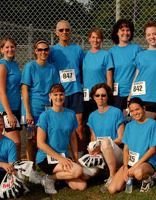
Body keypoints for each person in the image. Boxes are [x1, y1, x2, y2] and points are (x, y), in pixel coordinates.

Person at [36, 84, 87, 194]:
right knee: (77, 171)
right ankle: (49, 179)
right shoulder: (45, 116)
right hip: (46, 158)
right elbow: (40, 143)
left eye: (61, 94)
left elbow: (73, 139)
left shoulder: (71, 114)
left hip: (64, 157)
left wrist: (76, 159)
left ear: (65, 95)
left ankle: (58, 178)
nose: (58, 97)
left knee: (82, 185)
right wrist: (60, 159)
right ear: (50, 96)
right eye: (55, 95)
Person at [108, 98, 156, 194]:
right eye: (132, 111)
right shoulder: (129, 126)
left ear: (143, 108)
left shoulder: (153, 124)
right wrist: (125, 167)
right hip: (130, 163)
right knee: (112, 189)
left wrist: (135, 167)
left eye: (137, 109)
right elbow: (125, 149)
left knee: (138, 172)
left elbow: (152, 149)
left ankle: (148, 179)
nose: (135, 113)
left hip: (146, 163)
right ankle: (133, 178)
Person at [21, 39, 59, 171]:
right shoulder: (30, 67)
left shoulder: (53, 69)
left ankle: (47, 168)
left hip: (47, 108)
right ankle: (31, 169)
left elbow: (55, 90)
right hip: (33, 108)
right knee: (32, 140)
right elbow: (25, 89)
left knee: (45, 139)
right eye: (40, 50)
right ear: (35, 51)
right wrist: (28, 112)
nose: (43, 52)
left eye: (46, 49)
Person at [48, 20, 85, 157]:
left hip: (76, 92)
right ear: (56, 32)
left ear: (71, 32)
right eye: (61, 30)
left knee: (79, 126)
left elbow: (83, 68)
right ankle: (60, 156)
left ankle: (79, 157)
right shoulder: (52, 51)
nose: (64, 32)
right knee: (59, 127)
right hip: (59, 94)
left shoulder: (78, 50)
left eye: (67, 30)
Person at [84, 83, 125, 193]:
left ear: (107, 97)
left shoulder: (116, 112)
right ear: (93, 97)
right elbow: (93, 138)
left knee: (105, 142)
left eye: (103, 95)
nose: (100, 98)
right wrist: (91, 148)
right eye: (97, 95)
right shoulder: (92, 116)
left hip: (116, 153)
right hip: (100, 153)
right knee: (84, 175)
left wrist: (101, 145)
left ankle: (112, 176)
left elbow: (121, 138)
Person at [130, 21, 156, 120]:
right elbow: (136, 77)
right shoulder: (140, 55)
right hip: (137, 98)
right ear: (145, 37)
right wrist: (130, 96)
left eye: (154, 33)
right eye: (149, 34)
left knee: (145, 128)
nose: (152, 37)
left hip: (153, 98)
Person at [0, 36, 21, 160]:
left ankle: (17, 172)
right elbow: (1, 91)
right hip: (5, 109)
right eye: (7, 47)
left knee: (16, 144)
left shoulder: (14, 64)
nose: (10, 49)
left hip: (16, 107)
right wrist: (9, 114)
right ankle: (11, 173)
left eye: (12, 47)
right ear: (2, 49)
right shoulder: (2, 66)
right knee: (15, 143)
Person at [109, 19, 142, 114]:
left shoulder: (137, 49)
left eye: (128, 30)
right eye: (122, 30)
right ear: (117, 33)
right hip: (117, 94)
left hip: (133, 93)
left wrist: (131, 94)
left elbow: (140, 71)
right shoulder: (111, 51)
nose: (125, 33)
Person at [83, 28, 114, 116]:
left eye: (98, 38)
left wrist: (108, 95)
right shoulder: (85, 55)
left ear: (101, 40)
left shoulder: (106, 55)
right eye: (93, 37)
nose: (95, 40)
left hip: (101, 96)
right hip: (88, 95)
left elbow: (109, 79)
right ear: (89, 39)